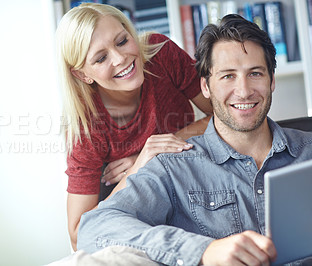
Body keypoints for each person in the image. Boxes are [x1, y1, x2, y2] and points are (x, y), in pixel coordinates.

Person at [77, 14, 312, 265]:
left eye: (255, 73)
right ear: (205, 87)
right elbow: (93, 229)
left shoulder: (307, 150)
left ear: (271, 81)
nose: (244, 91)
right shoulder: (172, 169)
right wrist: (203, 251)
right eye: (228, 76)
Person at [55, 3, 213, 250]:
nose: (121, 58)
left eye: (121, 41)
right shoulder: (86, 129)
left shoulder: (161, 54)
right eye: (101, 58)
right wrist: (139, 166)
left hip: (197, 186)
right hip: (142, 221)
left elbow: (224, 114)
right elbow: (77, 235)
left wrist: (155, 150)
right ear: (82, 75)